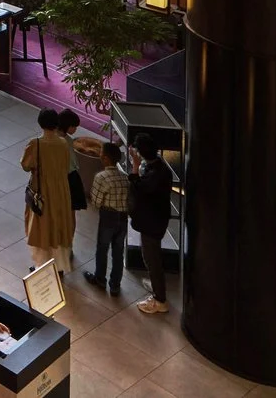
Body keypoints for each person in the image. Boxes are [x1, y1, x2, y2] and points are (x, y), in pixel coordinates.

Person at [20, 109, 77, 275]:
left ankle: (42, 265)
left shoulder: (35, 143)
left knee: (42, 228)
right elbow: (66, 165)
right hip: (61, 189)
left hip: (43, 190)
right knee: (58, 226)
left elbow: (25, 165)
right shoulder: (63, 143)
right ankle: (58, 265)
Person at [129, 147, 175, 315]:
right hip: (158, 221)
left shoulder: (153, 177)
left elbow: (137, 188)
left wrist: (134, 166)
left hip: (151, 224)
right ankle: (157, 288)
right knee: (152, 257)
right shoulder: (162, 169)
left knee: (151, 259)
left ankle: (159, 299)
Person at [86, 146, 132, 292]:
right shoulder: (125, 177)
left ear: (106, 158)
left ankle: (100, 278)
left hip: (108, 217)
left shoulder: (101, 177)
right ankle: (115, 285)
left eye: (101, 154)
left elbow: (96, 201)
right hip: (123, 218)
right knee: (118, 252)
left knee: (102, 248)